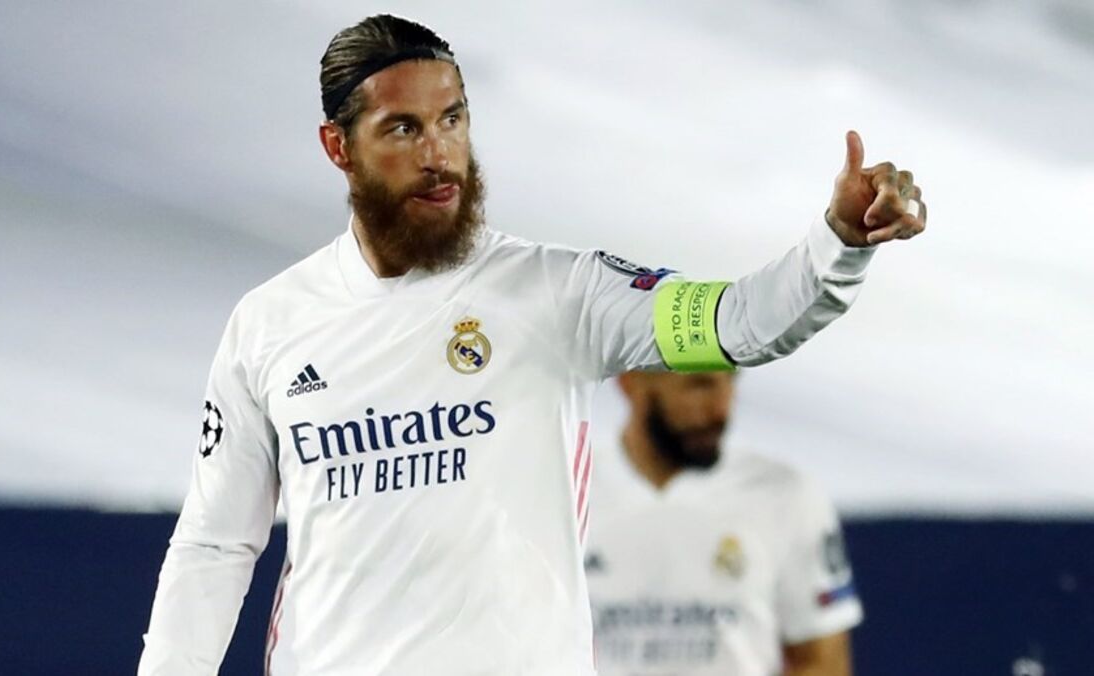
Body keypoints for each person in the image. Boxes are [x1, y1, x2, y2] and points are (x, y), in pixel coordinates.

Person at [138, 13, 925, 675]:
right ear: (337, 147)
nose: (439, 153)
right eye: (403, 128)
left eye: (453, 119)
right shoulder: (269, 324)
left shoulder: (557, 292)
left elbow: (740, 322)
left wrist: (838, 244)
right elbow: (214, 544)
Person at [585, 370, 862, 676]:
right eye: (698, 384)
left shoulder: (784, 495)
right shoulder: (569, 492)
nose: (721, 408)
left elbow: (823, 661)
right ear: (630, 382)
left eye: (731, 381)